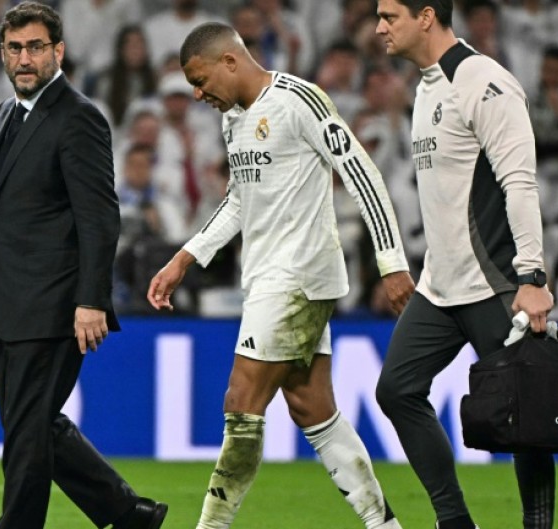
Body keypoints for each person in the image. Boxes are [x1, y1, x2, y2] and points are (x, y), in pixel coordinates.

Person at [147, 22, 414, 529]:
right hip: (268, 277)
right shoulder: (234, 120)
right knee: (313, 410)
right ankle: (385, 525)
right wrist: (185, 257)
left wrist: (391, 262)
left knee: (241, 403)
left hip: (298, 275)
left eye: (200, 81)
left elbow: (361, 173)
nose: (198, 94)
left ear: (230, 61)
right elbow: (238, 200)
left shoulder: (298, 100)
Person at [0, 4, 167, 529]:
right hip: (10, 302)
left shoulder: (79, 117)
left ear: (58, 51)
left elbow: (100, 218)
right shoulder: (6, 113)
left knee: (27, 434)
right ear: (3, 53)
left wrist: (92, 300)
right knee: (33, 425)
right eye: (15, 48)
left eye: (35, 47)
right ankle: (128, 513)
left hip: (54, 303)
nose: (25, 58)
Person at [373, 2, 555, 529]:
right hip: (440, 287)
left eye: (390, 16)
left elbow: (519, 181)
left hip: (494, 283)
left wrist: (532, 276)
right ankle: (454, 522)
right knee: (396, 390)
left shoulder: (482, 80)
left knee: (524, 415)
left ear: (426, 16)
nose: (379, 27)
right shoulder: (427, 87)